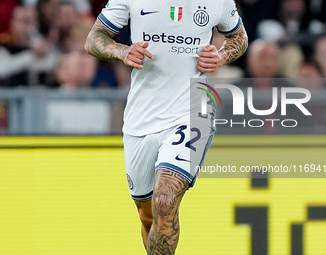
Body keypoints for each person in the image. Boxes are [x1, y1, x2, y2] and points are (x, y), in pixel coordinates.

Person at [84, 0, 248, 254]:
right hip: (142, 116)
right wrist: (122, 51)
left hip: (193, 109)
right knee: (147, 216)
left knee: (165, 200)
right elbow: (94, 38)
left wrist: (221, 55)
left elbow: (239, 36)